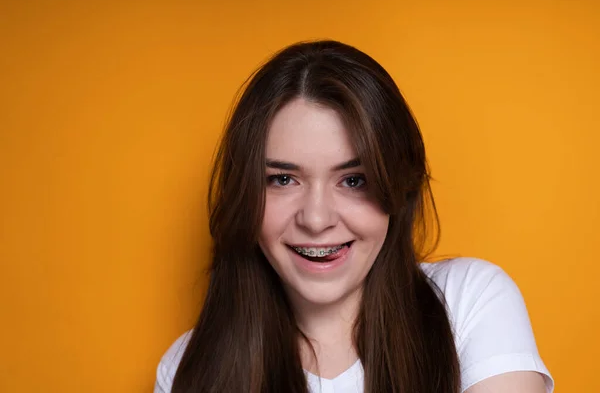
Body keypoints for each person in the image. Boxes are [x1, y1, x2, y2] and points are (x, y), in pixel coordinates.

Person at [154, 40, 554, 392]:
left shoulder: (470, 302)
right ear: (244, 193)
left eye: (353, 180)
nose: (315, 218)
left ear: (399, 185)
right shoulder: (188, 368)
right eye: (282, 179)